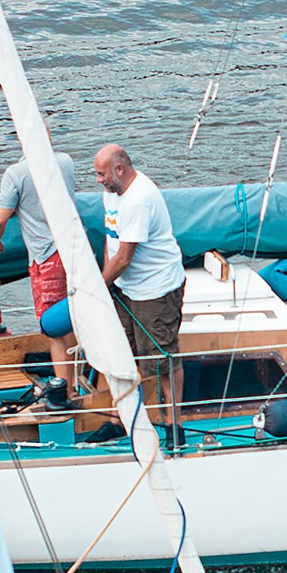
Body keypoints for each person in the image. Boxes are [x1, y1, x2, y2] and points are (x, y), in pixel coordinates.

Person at [91, 144, 186, 443]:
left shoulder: (138, 199)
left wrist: (96, 287)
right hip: (125, 286)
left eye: (101, 174)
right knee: (121, 352)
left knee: (161, 359)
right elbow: (112, 239)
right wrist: (110, 284)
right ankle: (119, 419)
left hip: (155, 290)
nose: (98, 180)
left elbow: (125, 258)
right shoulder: (112, 193)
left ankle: (174, 424)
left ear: (120, 169)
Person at [0, 126, 77, 322]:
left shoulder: (16, 174)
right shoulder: (66, 162)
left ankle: (63, 354)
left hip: (46, 255)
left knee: (52, 322)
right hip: (73, 249)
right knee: (73, 311)